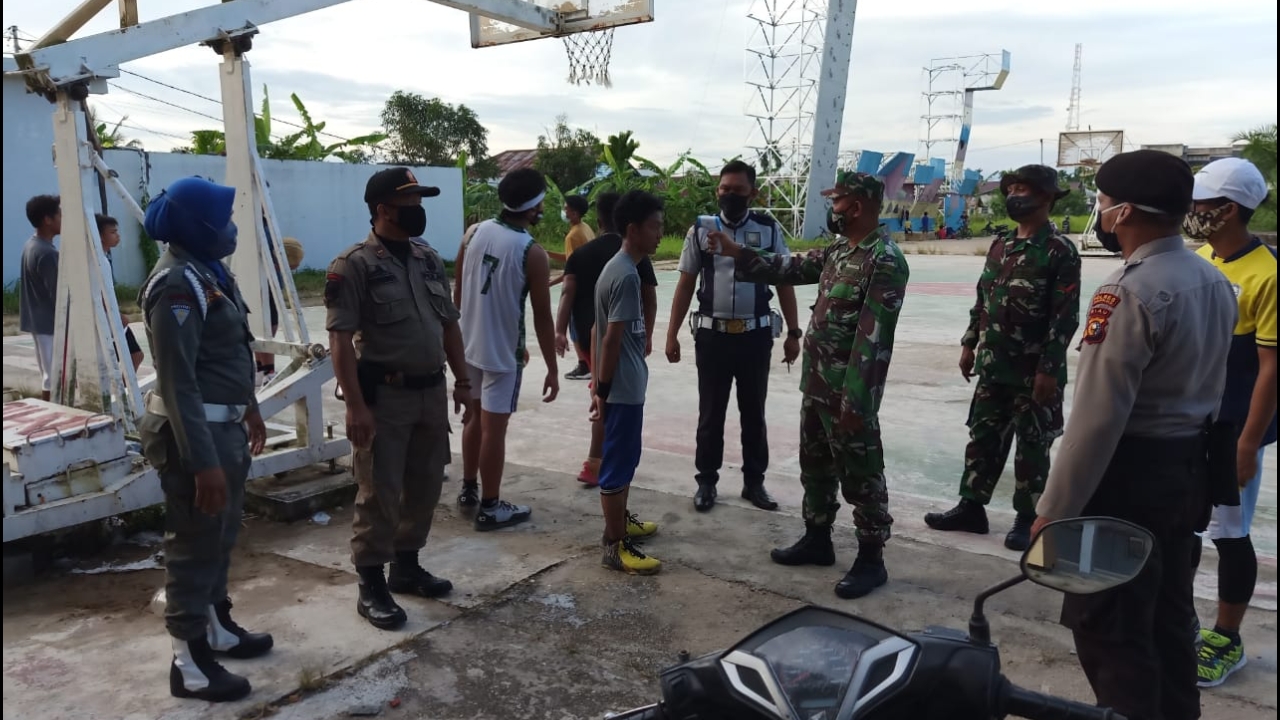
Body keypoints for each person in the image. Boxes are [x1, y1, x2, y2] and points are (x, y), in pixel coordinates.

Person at [1033, 150, 1237, 720]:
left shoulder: (1127, 292)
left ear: (1122, 213)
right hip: (1187, 472)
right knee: (1171, 619)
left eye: (1100, 201)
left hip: (1126, 482)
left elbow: (1098, 419)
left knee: (1111, 627)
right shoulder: (1212, 279)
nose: (1098, 212)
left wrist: (1055, 508)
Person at [708, 171, 910, 600]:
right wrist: (736, 251)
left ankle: (871, 559)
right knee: (815, 468)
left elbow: (873, 340)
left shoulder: (884, 260)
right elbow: (788, 267)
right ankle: (817, 539)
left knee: (862, 475)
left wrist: (858, 400)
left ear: (855, 207)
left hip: (849, 393)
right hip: (817, 385)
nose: (831, 209)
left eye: (836, 201)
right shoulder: (840, 250)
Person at [138, 177, 272, 703]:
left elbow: (228, 352)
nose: (233, 227)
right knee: (193, 546)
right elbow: (178, 381)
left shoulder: (209, 273)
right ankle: (189, 662)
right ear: (199, 226)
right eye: (224, 218)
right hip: (196, 438)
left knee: (218, 539)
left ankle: (217, 626)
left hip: (225, 427)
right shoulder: (176, 285)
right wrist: (201, 463)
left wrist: (251, 408)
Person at [325, 167, 470, 630]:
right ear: (383, 209)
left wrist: (463, 381)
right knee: (379, 490)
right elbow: (340, 341)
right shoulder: (353, 265)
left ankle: (406, 565)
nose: (419, 210)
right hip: (384, 397)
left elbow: (448, 324)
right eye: (410, 202)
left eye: (420, 201)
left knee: (426, 484)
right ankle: (371, 583)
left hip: (430, 390)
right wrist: (354, 406)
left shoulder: (427, 258)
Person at [924, 165, 1081, 551]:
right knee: (983, 438)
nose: (1014, 195)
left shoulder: (1059, 251)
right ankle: (971, 508)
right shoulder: (1001, 245)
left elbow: (1065, 317)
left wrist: (1048, 369)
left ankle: (1027, 519)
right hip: (993, 366)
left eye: (1023, 189)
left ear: (1045, 197)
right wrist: (968, 343)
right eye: (1010, 189)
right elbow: (983, 299)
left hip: (1034, 372)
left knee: (1032, 446)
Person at [1184, 157, 1277, 687]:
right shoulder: (1201, 260)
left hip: (1233, 429)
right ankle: (1185, 623)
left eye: (1200, 203)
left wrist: (1248, 442)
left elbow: (1271, 370)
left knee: (1229, 532)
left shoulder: (1266, 274)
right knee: (1187, 523)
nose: (1192, 212)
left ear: (1228, 209)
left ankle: (1227, 638)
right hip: (1190, 420)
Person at [665, 160, 802, 513]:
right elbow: (685, 283)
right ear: (717, 191)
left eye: (738, 190)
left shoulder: (768, 229)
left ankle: (754, 482)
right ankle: (706, 481)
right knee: (710, 412)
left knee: (753, 412)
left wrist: (793, 332)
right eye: (725, 189)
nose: (730, 195)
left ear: (752, 193)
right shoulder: (701, 229)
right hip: (713, 338)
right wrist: (672, 334)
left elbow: (784, 280)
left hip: (755, 337)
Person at [456, 168, 560, 529]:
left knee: (473, 420)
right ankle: (490, 505)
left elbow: (459, 285)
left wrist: (458, 329)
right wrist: (553, 366)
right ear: (534, 207)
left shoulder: (474, 232)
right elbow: (543, 318)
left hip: (468, 345)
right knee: (493, 430)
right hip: (501, 355)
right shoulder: (531, 251)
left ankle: (469, 488)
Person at [555, 192, 659, 487]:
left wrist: (560, 331)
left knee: (603, 395)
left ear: (598, 219)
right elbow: (649, 297)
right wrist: (646, 335)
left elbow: (567, 292)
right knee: (607, 397)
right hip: (615, 338)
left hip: (588, 337)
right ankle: (597, 464)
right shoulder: (630, 259)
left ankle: (600, 464)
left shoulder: (583, 253)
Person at [591, 190, 665, 574]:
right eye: (654, 227)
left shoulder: (620, 269)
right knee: (618, 463)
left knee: (626, 459)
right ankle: (614, 544)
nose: (659, 235)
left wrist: (598, 383)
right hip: (621, 389)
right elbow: (610, 337)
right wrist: (602, 389)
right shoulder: (625, 275)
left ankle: (619, 523)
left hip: (623, 386)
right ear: (632, 229)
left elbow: (595, 328)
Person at [19, 194, 61, 401]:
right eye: (60, 214)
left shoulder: (32, 245)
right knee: (53, 378)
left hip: (39, 321)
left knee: (50, 374)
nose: (63, 218)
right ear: (48, 219)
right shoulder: (47, 253)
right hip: (50, 324)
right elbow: (58, 295)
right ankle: (52, 415)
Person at [550, 194, 596, 380]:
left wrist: (550, 283)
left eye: (566, 208)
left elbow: (571, 269)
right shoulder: (585, 229)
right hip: (591, 283)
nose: (564, 210)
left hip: (580, 286)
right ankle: (591, 362)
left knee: (575, 327)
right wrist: (546, 253)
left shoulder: (572, 236)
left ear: (574, 213)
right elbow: (571, 258)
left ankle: (584, 365)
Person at [94, 214, 145, 372]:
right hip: (107, 320)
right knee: (133, 355)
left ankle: (124, 390)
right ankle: (124, 392)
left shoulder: (103, 258)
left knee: (135, 355)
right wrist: (114, 315)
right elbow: (101, 293)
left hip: (109, 317)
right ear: (100, 236)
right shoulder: (99, 261)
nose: (118, 235)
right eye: (113, 232)